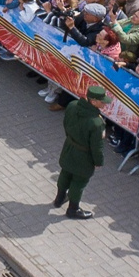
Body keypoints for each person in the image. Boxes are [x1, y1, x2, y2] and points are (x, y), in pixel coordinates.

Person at [54, 85, 108, 219]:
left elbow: (65, 123)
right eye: (102, 101)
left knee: (65, 173)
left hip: (69, 147)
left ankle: (59, 199)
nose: (104, 104)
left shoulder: (72, 105)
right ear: (93, 101)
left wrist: (71, 138)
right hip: (84, 156)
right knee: (79, 182)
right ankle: (73, 209)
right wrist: (98, 161)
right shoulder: (96, 123)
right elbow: (97, 146)